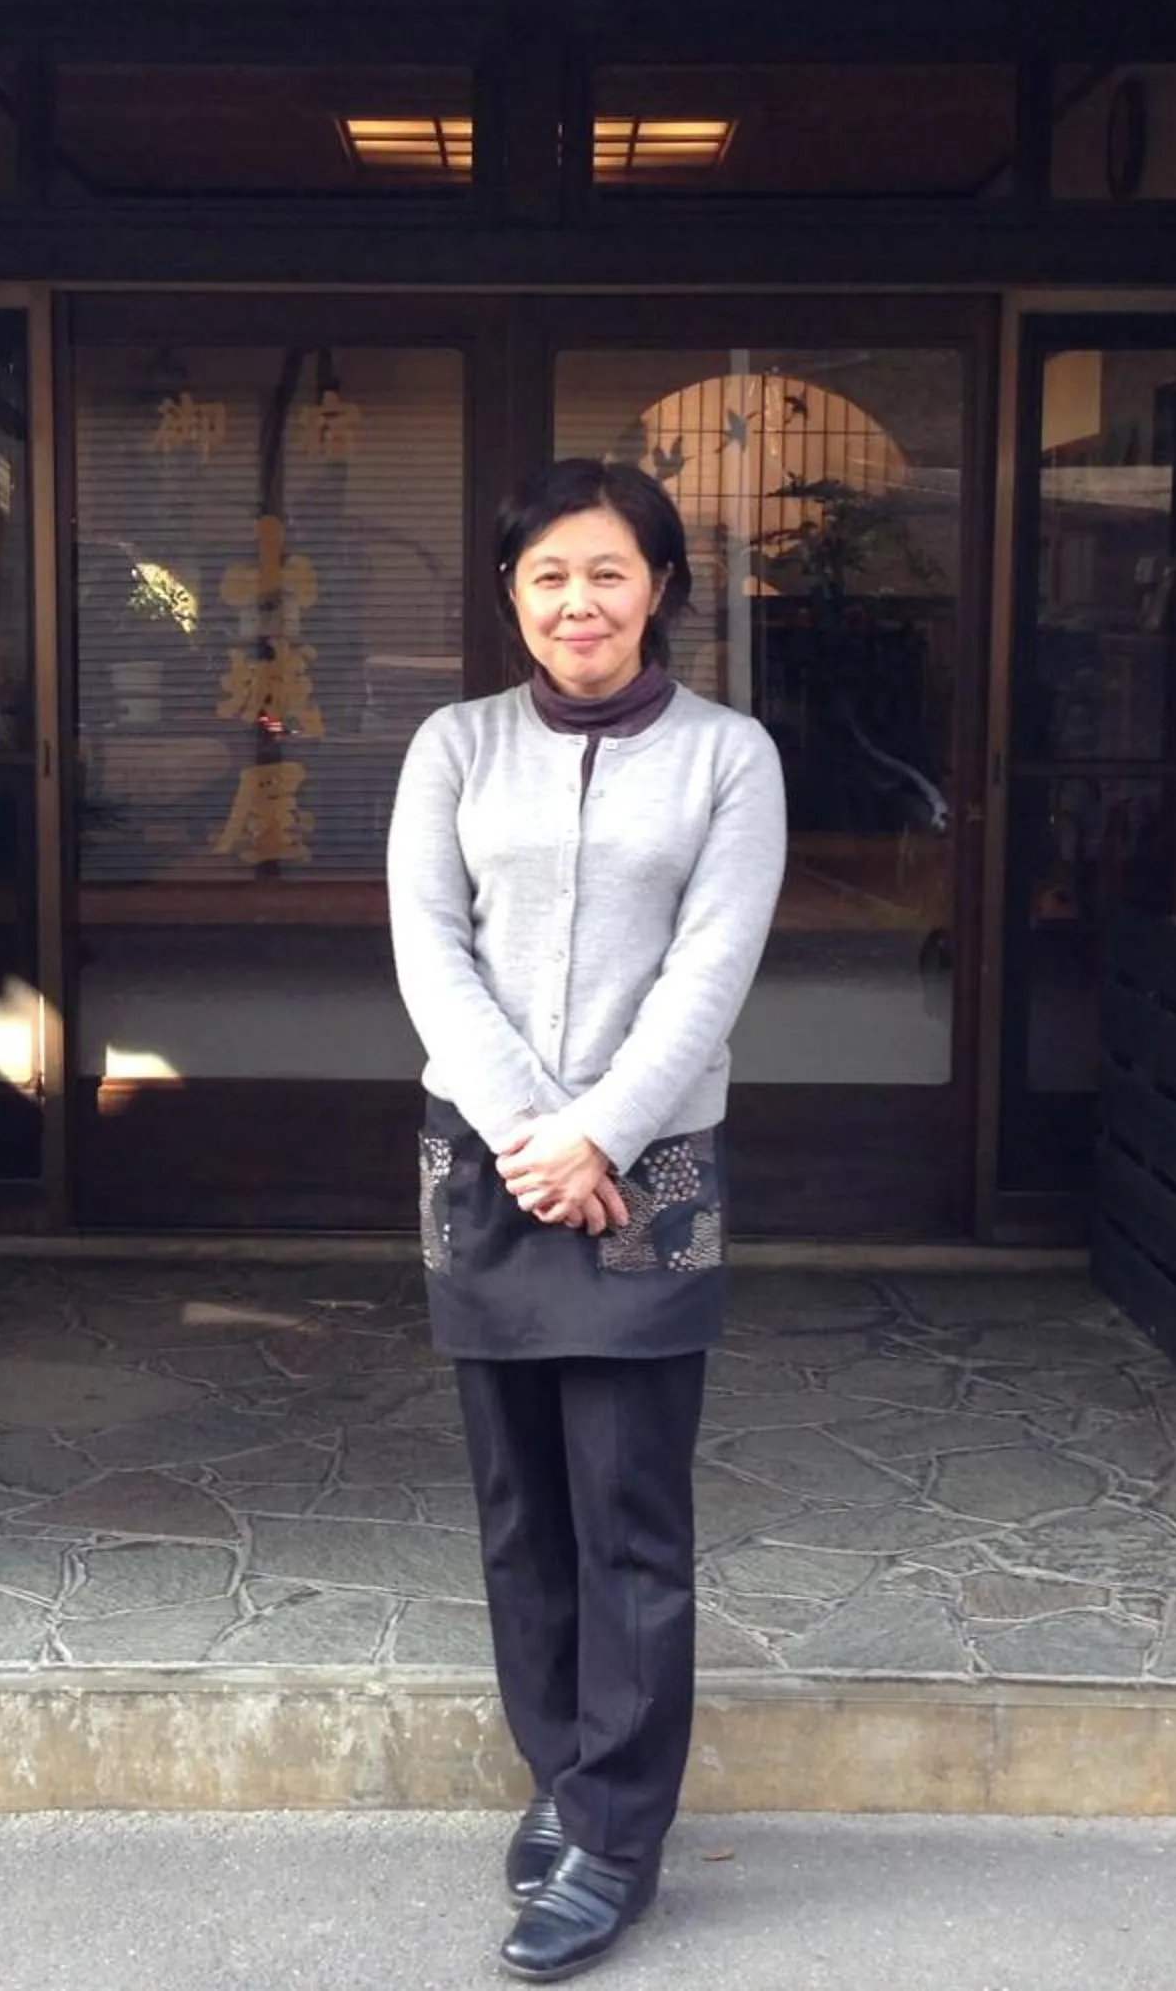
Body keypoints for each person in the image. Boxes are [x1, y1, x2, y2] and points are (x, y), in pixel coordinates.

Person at [388, 457, 787, 1982]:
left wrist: (600, 1133)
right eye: (550, 574)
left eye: (609, 572)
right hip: (487, 1160)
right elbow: (431, 948)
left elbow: (713, 967)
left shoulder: (728, 758)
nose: (580, 602)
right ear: (511, 593)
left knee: (629, 1512)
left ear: (662, 587)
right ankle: (560, 1773)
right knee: (518, 1510)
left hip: (648, 1172)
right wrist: (526, 1135)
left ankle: (618, 1833)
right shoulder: (454, 746)